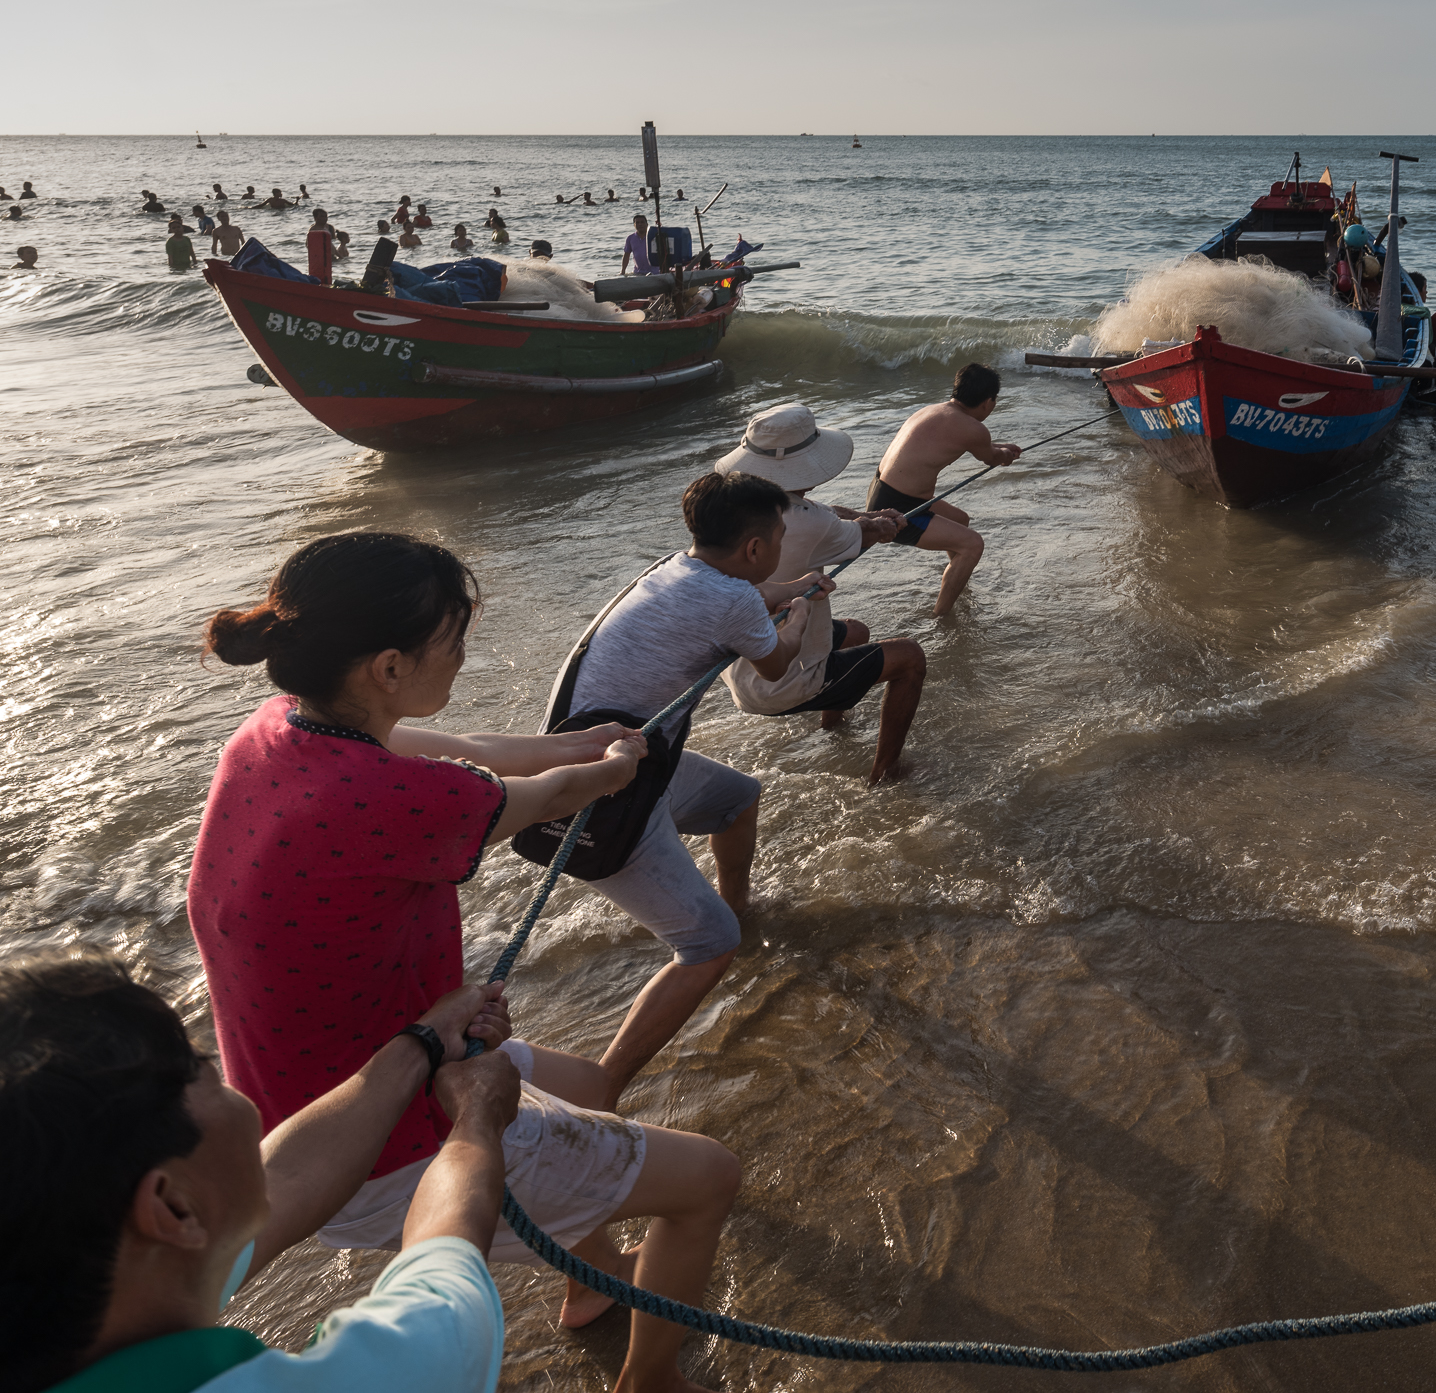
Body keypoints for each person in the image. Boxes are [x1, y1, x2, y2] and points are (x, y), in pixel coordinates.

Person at [194, 534, 741, 1393]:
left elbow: (468, 748)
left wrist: (576, 743)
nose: (463, 654)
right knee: (709, 1175)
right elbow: (540, 800)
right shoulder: (392, 799)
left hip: (306, 1097)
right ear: (387, 667)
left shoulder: (275, 733)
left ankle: (588, 1287)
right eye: (455, 639)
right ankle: (652, 1381)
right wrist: (608, 768)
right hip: (379, 1137)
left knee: (590, 1087)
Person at [3, 948, 520, 1393]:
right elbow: (444, 1293)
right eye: (197, 1062)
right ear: (172, 1207)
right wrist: (479, 1115)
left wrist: (427, 1041)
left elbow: (288, 1177)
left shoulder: (97, 1285)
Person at [557, 472, 844, 1103]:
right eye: (778, 536)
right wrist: (803, 609)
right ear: (753, 548)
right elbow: (776, 661)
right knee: (709, 945)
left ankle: (735, 909)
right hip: (604, 796)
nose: (779, 547)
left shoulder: (671, 569)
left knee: (738, 800)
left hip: (604, 758)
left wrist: (793, 586)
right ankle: (604, 1086)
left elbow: (744, 596)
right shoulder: (736, 601)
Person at [713, 404, 926, 766]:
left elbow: (826, 512)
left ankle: (832, 727)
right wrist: (880, 525)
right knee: (910, 658)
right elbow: (852, 530)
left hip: (737, 670)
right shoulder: (811, 523)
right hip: (777, 683)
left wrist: (868, 517)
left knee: (856, 632)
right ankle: (886, 772)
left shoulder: (736, 505)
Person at [867, 363, 1022, 615]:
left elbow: (980, 445)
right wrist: (1005, 454)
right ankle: (941, 616)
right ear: (988, 402)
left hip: (882, 491)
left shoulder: (934, 410)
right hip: (899, 509)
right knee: (973, 545)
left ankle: (958, 579)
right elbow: (992, 457)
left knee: (960, 520)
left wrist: (1000, 448)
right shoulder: (974, 429)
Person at [304, 208, 335, 284]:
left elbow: (333, 242)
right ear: (315, 218)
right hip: (320, 257)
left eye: (325, 216)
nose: (324, 218)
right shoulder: (313, 230)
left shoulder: (329, 228)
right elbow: (308, 245)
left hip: (331, 255)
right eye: (321, 216)